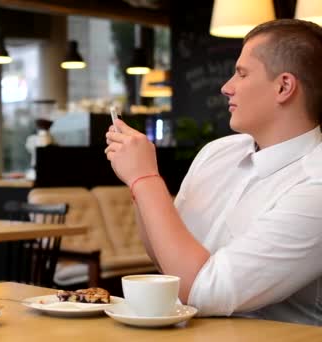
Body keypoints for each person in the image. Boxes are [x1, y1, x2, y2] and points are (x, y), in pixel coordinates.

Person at [105, 19, 322, 325]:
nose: (226, 87)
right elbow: (164, 257)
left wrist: (146, 179)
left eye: (242, 73)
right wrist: (135, 181)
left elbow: (203, 292)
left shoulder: (316, 186)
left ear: (283, 86)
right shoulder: (217, 153)